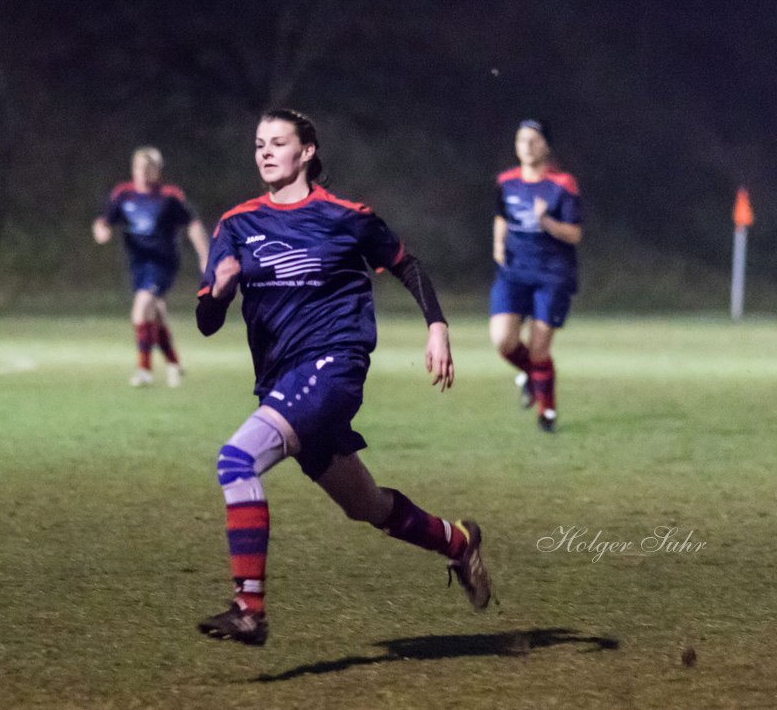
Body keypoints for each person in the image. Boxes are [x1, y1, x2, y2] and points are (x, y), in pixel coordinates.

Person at [193, 109, 492, 646]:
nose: (264, 152)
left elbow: (406, 263)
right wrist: (218, 291)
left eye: (277, 143)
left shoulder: (345, 215)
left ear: (306, 151)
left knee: (236, 459)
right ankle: (460, 542)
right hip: (283, 381)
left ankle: (249, 608)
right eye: (258, 143)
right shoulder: (235, 225)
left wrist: (438, 326)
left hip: (333, 366)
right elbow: (207, 323)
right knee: (367, 506)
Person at [488, 119, 583, 433]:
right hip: (514, 272)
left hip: (551, 274)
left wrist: (546, 221)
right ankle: (534, 376)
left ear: (546, 145)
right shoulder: (506, 181)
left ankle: (547, 412)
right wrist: (498, 244)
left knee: (539, 349)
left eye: (534, 140)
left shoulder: (563, 184)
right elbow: (502, 216)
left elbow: (574, 234)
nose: (527, 146)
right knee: (503, 341)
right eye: (521, 140)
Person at [93, 146, 210, 387]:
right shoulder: (123, 194)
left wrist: (204, 255)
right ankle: (174, 364)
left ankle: (144, 371)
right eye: (139, 167)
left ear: (158, 171)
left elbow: (193, 224)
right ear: (133, 169)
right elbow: (104, 220)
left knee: (141, 309)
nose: (143, 173)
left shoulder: (169, 196)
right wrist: (101, 231)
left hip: (163, 262)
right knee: (155, 317)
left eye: (149, 168)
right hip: (138, 263)